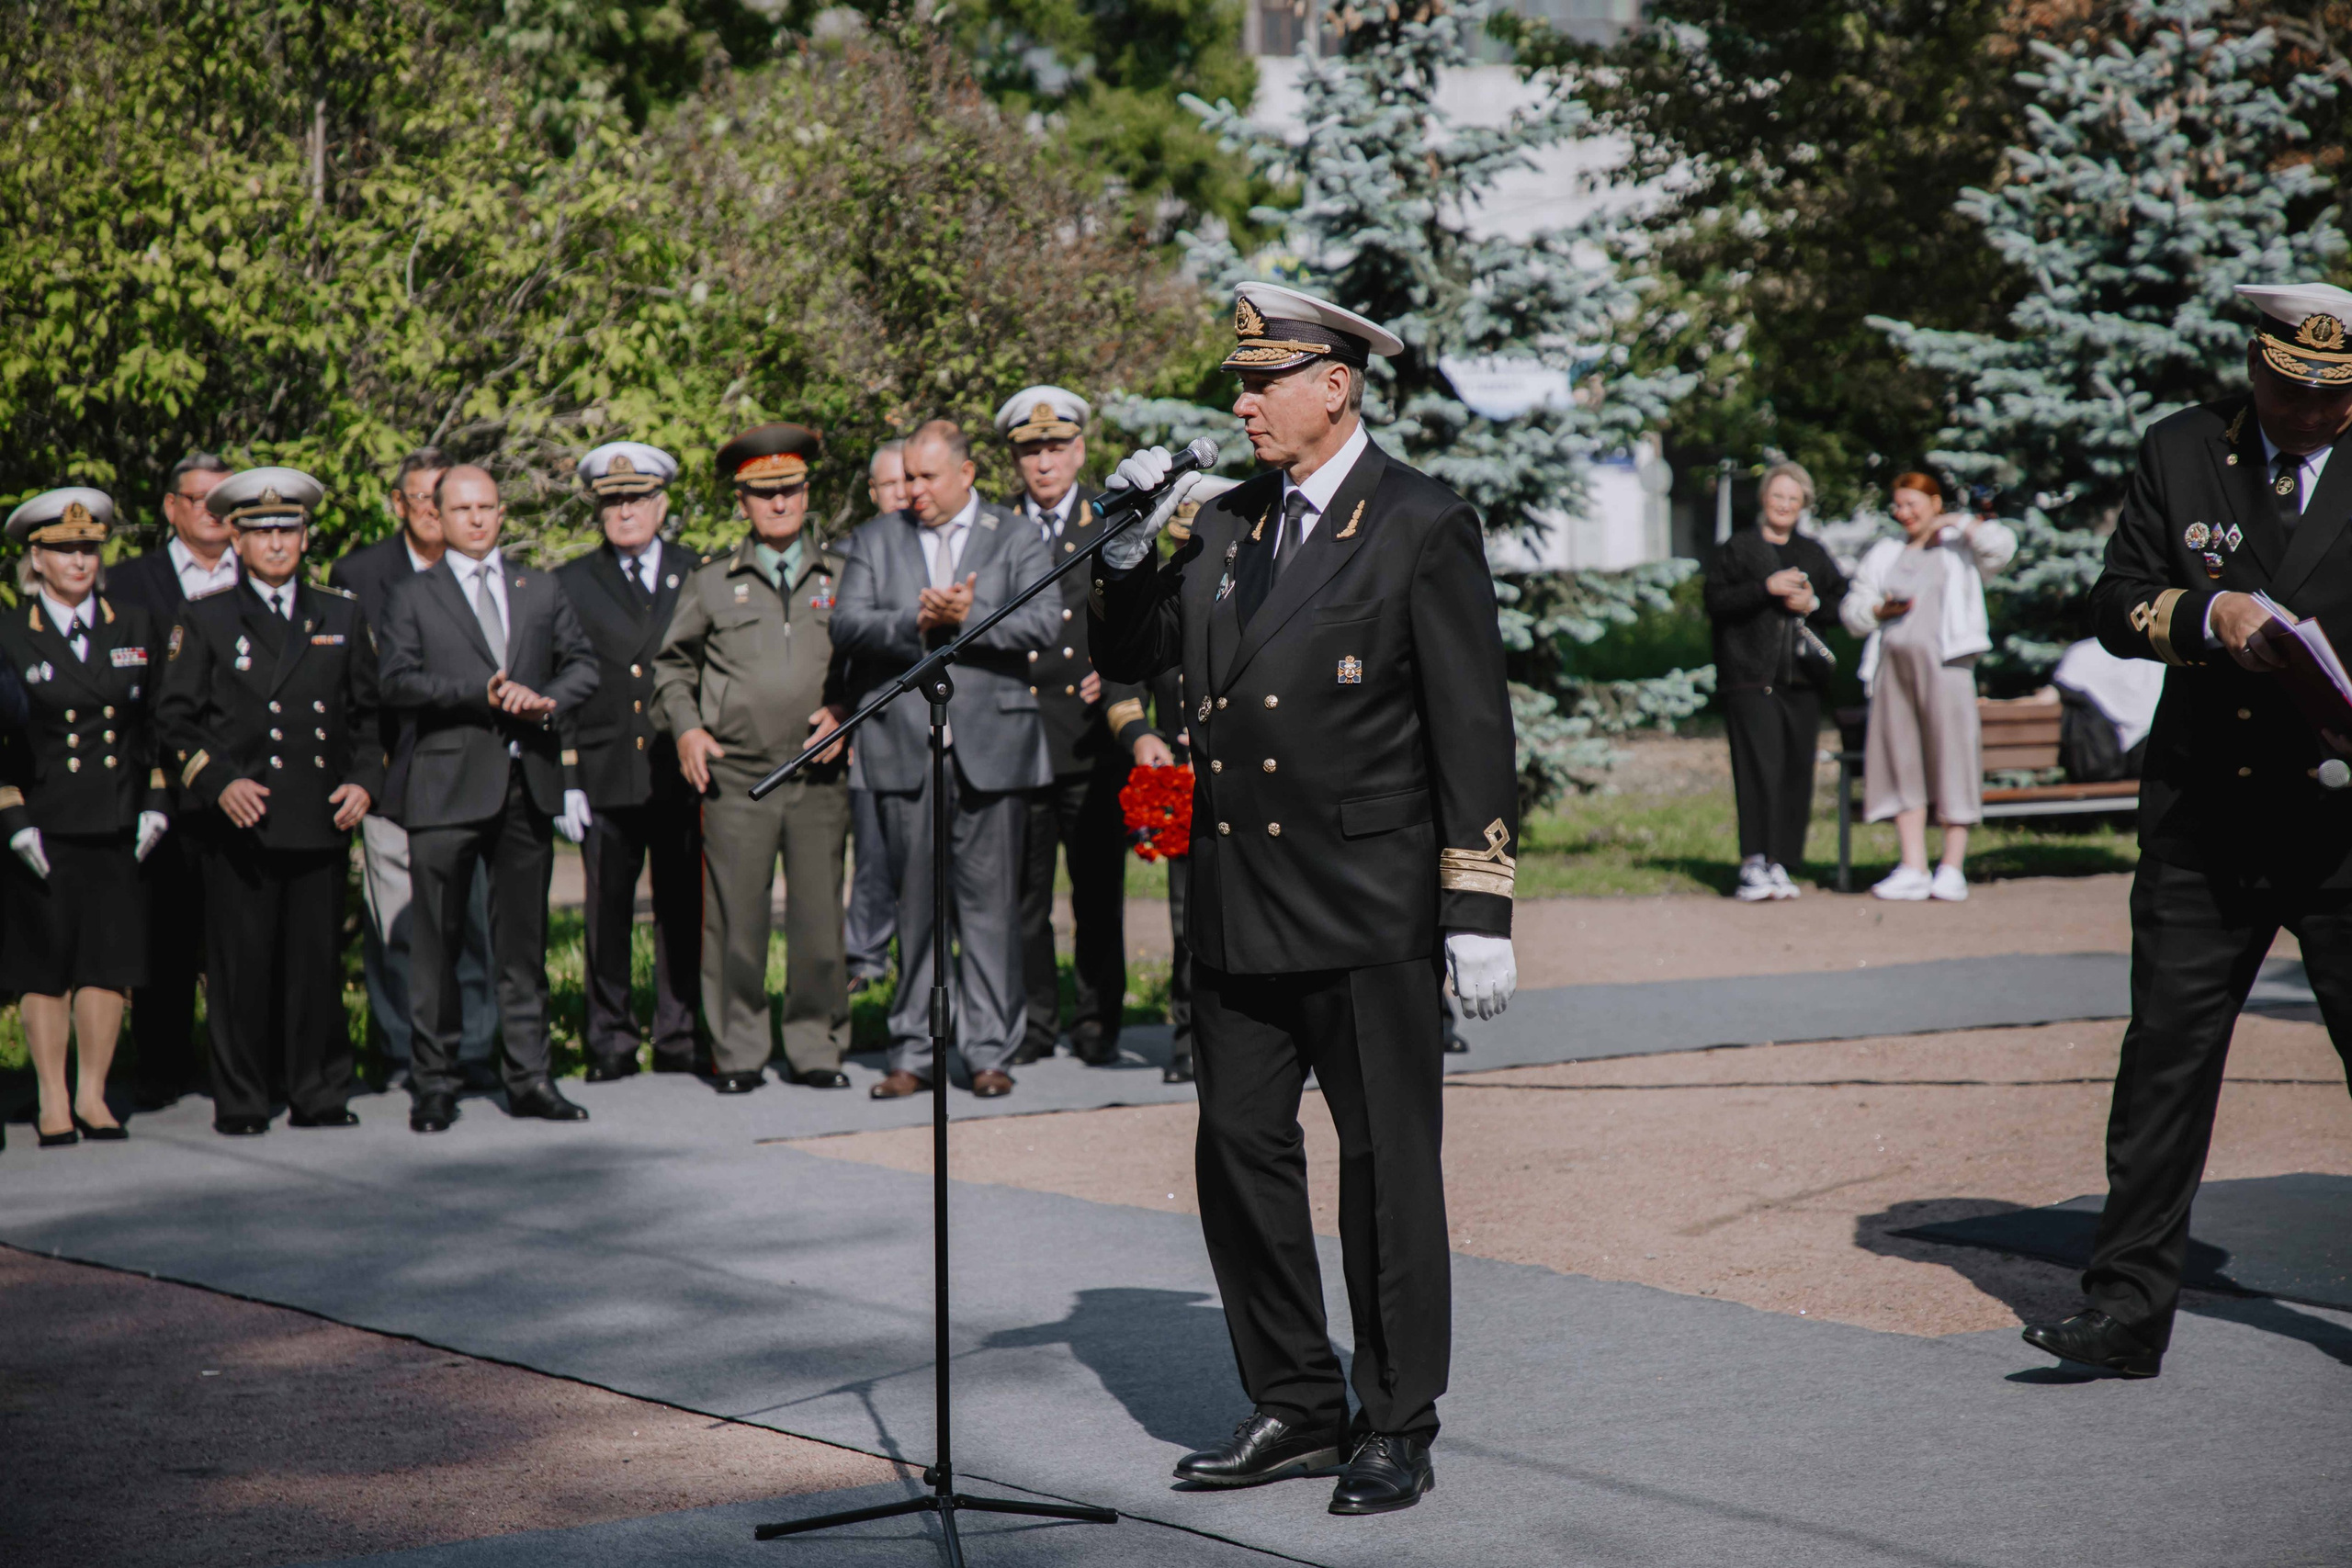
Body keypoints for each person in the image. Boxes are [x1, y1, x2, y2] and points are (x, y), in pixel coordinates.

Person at [1091, 283, 1519, 1515]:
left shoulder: (1420, 522)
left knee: (1386, 1168)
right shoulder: (1224, 523)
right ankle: (1293, 1396)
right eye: (1242, 379)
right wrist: (1124, 549)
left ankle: (1394, 1416)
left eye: (1263, 380)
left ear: (1334, 384)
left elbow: (1472, 727)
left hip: (1368, 904)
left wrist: (1477, 903)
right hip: (1238, 901)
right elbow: (1137, 655)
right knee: (1238, 1151)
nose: (1243, 403)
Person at [2023, 281, 2352, 1379]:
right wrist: (2210, 616)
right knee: (2163, 1064)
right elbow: (2116, 598)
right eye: (2292, 396)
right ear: (2256, 368)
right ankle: (2124, 1308)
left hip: (2343, 828)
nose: (2311, 418)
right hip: (2205, 816)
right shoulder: (2180, 451)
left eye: (2334, 402)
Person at [832, 419, 1058, 1100]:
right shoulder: (877, 538)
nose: (913, 490)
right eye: (907, 476)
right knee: (914, 909)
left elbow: (1044, 621)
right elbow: (846, 622)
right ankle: (912, 1049)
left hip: (992, 748)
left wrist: (969, 615)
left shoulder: (1016, 535)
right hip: (905, 747)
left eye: (927, 477)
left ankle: (989, 1049)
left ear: (966, 474)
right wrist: (917, 620)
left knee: (989, 909)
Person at [376, 465, 600, 1134]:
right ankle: (436, 1081)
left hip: (524, 783)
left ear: (503, 513)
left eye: (486, 507)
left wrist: (548, 698)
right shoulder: (412, 594)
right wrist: (479, 693)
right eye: (461, 508)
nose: (475, 519)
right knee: (438, 944)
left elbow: (583, 663)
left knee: (522, 946)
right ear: (436, 517)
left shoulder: (539, 586)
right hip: (445, 786)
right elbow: (396, 679)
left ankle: (530, 1076)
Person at [156, 468, 380, 1136]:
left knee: (314, 966)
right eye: (261, 531)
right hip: (243, 822)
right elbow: (176, 720)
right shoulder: (205, 615)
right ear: (236, 537)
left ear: (305, 536)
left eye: (288, 529)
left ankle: (318, 1090)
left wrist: (366, 779)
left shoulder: (340, 614)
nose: (277, 543)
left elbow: (368, 716)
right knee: (241, 968)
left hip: (318, 814)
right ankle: (245, 1097)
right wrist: (218, 780)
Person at [651, 423, 855, 1093]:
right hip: (737, 775)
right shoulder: (712, 583)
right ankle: (738, 1051)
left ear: (807, 492)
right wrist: (685, 729)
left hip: (818, 769)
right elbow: (671, 668)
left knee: (819, 919)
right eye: (764, 493)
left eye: (790, 489)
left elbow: (866, 659)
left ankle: (815, 1046)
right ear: (742, 500)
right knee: (736, 919)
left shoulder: (845, 576)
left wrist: (845, 709)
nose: (779, 503)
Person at [0, 488, 172, 1147]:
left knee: (108, 961)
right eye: (65, 549)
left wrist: (156, 803)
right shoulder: (11, 633)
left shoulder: (133, 623)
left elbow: (157, 723)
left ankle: (94, 1093)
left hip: (116, 816)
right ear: (35, 559)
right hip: (42, 819)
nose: (80, 560)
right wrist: (11, 816)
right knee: (45, 966)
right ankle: (52, 1098)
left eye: (90, 548)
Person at [329, 449, 501, 1089]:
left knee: (474, 921)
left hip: (472, 775)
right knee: (397, 923)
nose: (434, 509)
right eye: (421, 498)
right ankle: (403, 1048)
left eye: (444, 495)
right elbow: (348, 687)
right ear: (399, 504)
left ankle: (477, 1046)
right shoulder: (361, 573)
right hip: (394, 772)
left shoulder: (485, 571)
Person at [994, 385, 1142, 1066]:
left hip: (1090, 736)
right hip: (1020, 737)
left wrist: (1114, 674)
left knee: (1095, 893)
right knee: (1025, 896)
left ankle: (1097, 1021)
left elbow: (1140, 615)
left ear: (1080, 449)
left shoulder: (1112, 520)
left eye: (1055, 448)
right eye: (1031, 450)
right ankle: (1034, 1021)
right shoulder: (997, 533)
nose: (1044, 462)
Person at [556, 442, 705, 1082]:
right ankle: (610, 1038)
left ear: (662, 503)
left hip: (676, 768)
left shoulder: (697, 572)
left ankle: (680, 1032)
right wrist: (566, 778)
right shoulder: (569, 582)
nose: (625, 512)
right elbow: (559, 677)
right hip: (605, 768)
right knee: (606, 912)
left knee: (682, 907)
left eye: (637, 499)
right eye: (613, 501)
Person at [107, 452, 234, 1110]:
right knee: (164, 931)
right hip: (161, 781)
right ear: (171, 507)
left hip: (244, 782)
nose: (213, 511)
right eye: (199, 498)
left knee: (236, 932)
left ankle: (239, 1063)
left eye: (223, 498)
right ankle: (160, 1065)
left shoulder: (266, 569)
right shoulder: (129, 583)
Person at [1838, 470, 2015, 902]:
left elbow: (2002, 547)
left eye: (1912, 504)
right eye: (1898, 505)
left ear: (1935, 504)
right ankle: (1912, 864)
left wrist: (1962, 523)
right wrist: (1878, 610)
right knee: (1901, 761)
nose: (1904, 513)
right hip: (1892, 670)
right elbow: (1854, 608)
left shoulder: (1960, 546)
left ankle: (1952, 866)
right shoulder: (1886, 552)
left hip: (1948, 667)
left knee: (1953, 759)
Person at [1704, 460, 1848, 901]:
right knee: (1757, 770)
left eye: (1793, 498)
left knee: (1794, 773)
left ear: (1803, 504)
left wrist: (1812, 601)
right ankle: (1753, 863)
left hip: (1802, 680)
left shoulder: (1812, 552)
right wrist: (1765, 588)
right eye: (1777, 496)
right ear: (1764, 500)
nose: (1784, 504)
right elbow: (1715, 600)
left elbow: (1840, 603)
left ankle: (1782, 862)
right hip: (1749, 679)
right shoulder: (1739, 548)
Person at [845, 441, 908, 991]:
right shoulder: (854, 551)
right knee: (871, 851)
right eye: (889, 485)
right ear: (873, 492)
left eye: (907, 481)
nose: (901, 493)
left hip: (933, 725)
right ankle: (865, 958)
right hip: (873, 724)